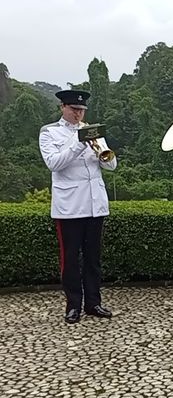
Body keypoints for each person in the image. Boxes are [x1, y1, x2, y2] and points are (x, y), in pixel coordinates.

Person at [39, 89, 118, 324]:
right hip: (69, 206)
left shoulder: (92, 130)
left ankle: (94, 303)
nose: (78, 114)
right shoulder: (49, 132)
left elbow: (111, 165)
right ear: (63, 107)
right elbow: (54, 163)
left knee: (93, 258)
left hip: (95, 204)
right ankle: (73, 305)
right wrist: (78, 142)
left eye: (82, 110)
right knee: (70, 259)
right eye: (74, 109)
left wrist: (104, 153)